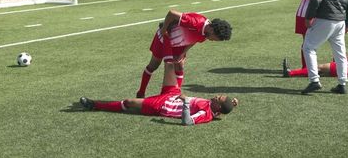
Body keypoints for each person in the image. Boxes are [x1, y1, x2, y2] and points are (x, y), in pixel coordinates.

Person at [80, 37, 238, 126]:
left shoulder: (207, 114)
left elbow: (188, 122)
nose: (217, 96)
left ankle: (95, 105)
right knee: (171, 64)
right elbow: (222, 110)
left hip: (162, 105)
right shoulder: (216, 108)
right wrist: (232, 104)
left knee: (128, 102)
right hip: (173, 94)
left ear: (218, 105)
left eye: (219, 98)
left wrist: (186, 102)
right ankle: (167, 35)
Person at [136, 10, 232, 98]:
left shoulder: (206, 32)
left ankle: (175, 95)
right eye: (215, 38)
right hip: (164, 39)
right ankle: (141, 92)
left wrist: (183, 53)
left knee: (180, 66)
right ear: (212, 30)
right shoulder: (196, 22)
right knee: (153, 66)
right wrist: (164, 29)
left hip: (179, 44)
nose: (213, 41)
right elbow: (171, 13)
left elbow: (194, 40)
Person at [295, 0, 318, 68]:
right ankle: (306, 67)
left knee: (307, 42)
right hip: (307, 13)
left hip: (305, 12)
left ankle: (306, 67)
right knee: (307, 42)